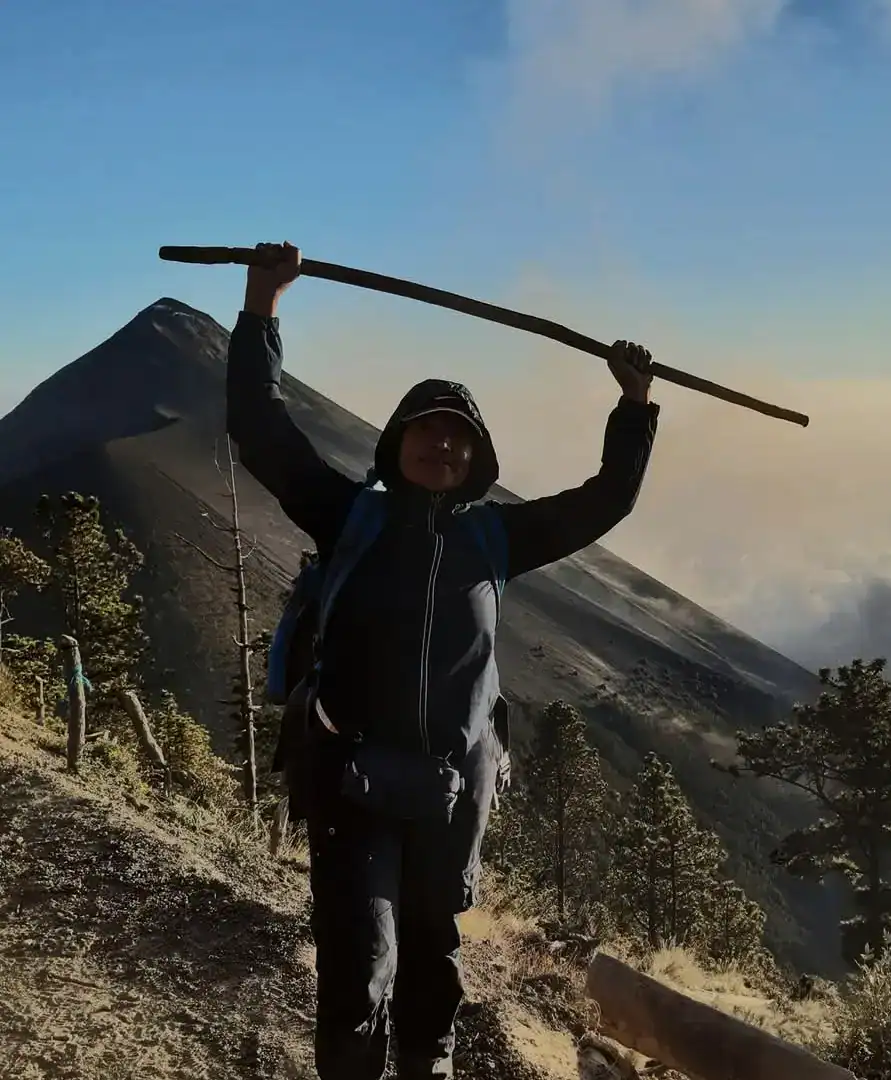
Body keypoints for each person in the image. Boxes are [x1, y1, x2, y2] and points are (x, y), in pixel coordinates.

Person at [226, 241, 659, 1080]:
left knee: (434, 962)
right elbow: (260, 426)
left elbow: (607, 499)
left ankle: (429, 1068)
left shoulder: (496, 537)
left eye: (459, 438)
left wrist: (635, 404)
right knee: (360, 960)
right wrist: (261, 305)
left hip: (452, 789)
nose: (442, 446)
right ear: (396, 443)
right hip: (351, 778)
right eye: (427, 430)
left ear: (478, 460)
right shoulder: (350, 514)